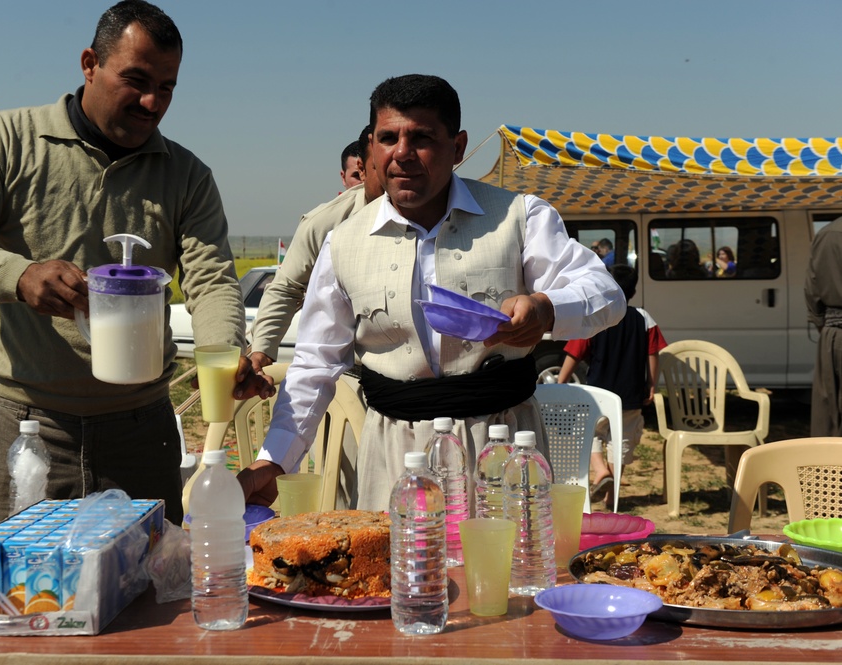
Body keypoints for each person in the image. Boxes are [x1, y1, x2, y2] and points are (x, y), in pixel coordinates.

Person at [0, 0, 272, 534]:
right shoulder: (3, 141)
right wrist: (20, 276)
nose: (153, 101)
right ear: (90, 63)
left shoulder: (187, 176)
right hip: (26, 425)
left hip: (140, 431)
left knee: (150, 593)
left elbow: (213, 280)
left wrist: (222, 353)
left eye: (168, 87)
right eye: (137, 79)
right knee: (17, 597)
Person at [238, 74, 625, 510]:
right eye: (388, 138)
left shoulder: (519, 217)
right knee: (399, 574)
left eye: (421, 137)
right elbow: (316, 363)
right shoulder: (343, 242)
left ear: (457, 148)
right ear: (371, 146)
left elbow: (605, 293)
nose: (401, 153)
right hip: (393, 452)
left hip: (502, 445)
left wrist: (546, 308)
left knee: (508, 572)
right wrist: (274, 460)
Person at [250, 126, 384, 370]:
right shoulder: (324, 224)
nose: (393, 174)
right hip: (348, 372)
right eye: (380, 167)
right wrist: (262, 350)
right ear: (362, 171)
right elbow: (287, 287)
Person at [557, 264, 667, 503]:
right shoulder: (644, 318)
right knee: (622, 440)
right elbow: (653, 353)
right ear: (633, 291)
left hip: (597, 395)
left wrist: (561, 381)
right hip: (630, 394)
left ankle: (600, 470)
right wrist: (651, 384)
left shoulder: (595, 318)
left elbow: (575, 353)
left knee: (592, 434)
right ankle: (612, 495)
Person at [805, 216, 842, 437]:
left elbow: (812, 290)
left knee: (830, 417)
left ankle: (830, 469)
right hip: (834, 329)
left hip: (834, 334)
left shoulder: (828, 234)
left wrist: (825, 325)